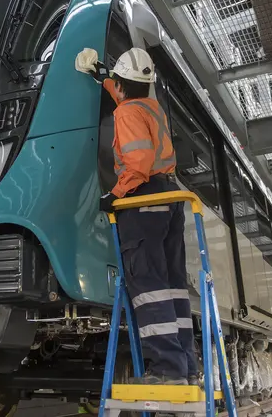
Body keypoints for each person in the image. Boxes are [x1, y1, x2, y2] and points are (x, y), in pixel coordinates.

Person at [75, 47, 197, 386]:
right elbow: (125, 94)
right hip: (170, 199)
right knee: (172, 286)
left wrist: (113, 195)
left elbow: (139, 164)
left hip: (142, 200)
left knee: (147, 283)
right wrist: (102, 75)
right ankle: (186, 368)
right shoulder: (150, 107)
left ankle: (167, 370)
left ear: (124, 85)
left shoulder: (126, 114)